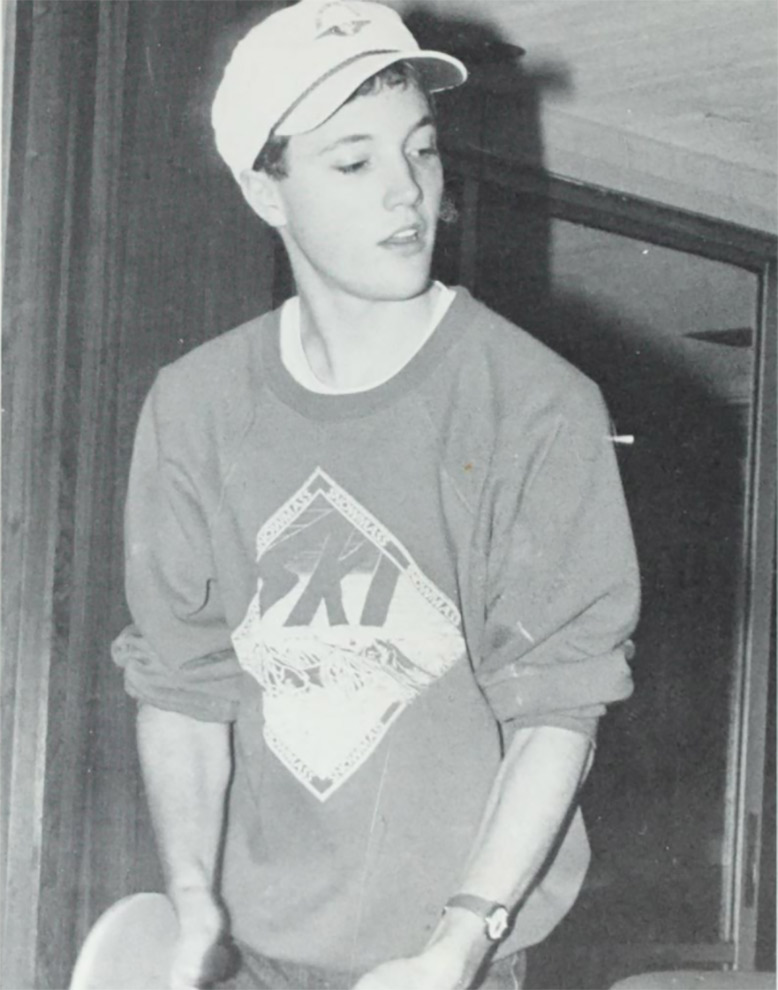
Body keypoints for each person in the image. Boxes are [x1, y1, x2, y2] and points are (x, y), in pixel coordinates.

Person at [112, 1, 640, 988]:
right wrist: (192, 899)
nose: (407, 192)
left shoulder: (534, 404)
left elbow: (557, 712)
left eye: (421, 151)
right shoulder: (195, 407)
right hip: (261, 955)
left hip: (453, 953)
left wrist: (458, 942)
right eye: (353, 163)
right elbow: (183, 691)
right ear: (263, 191)